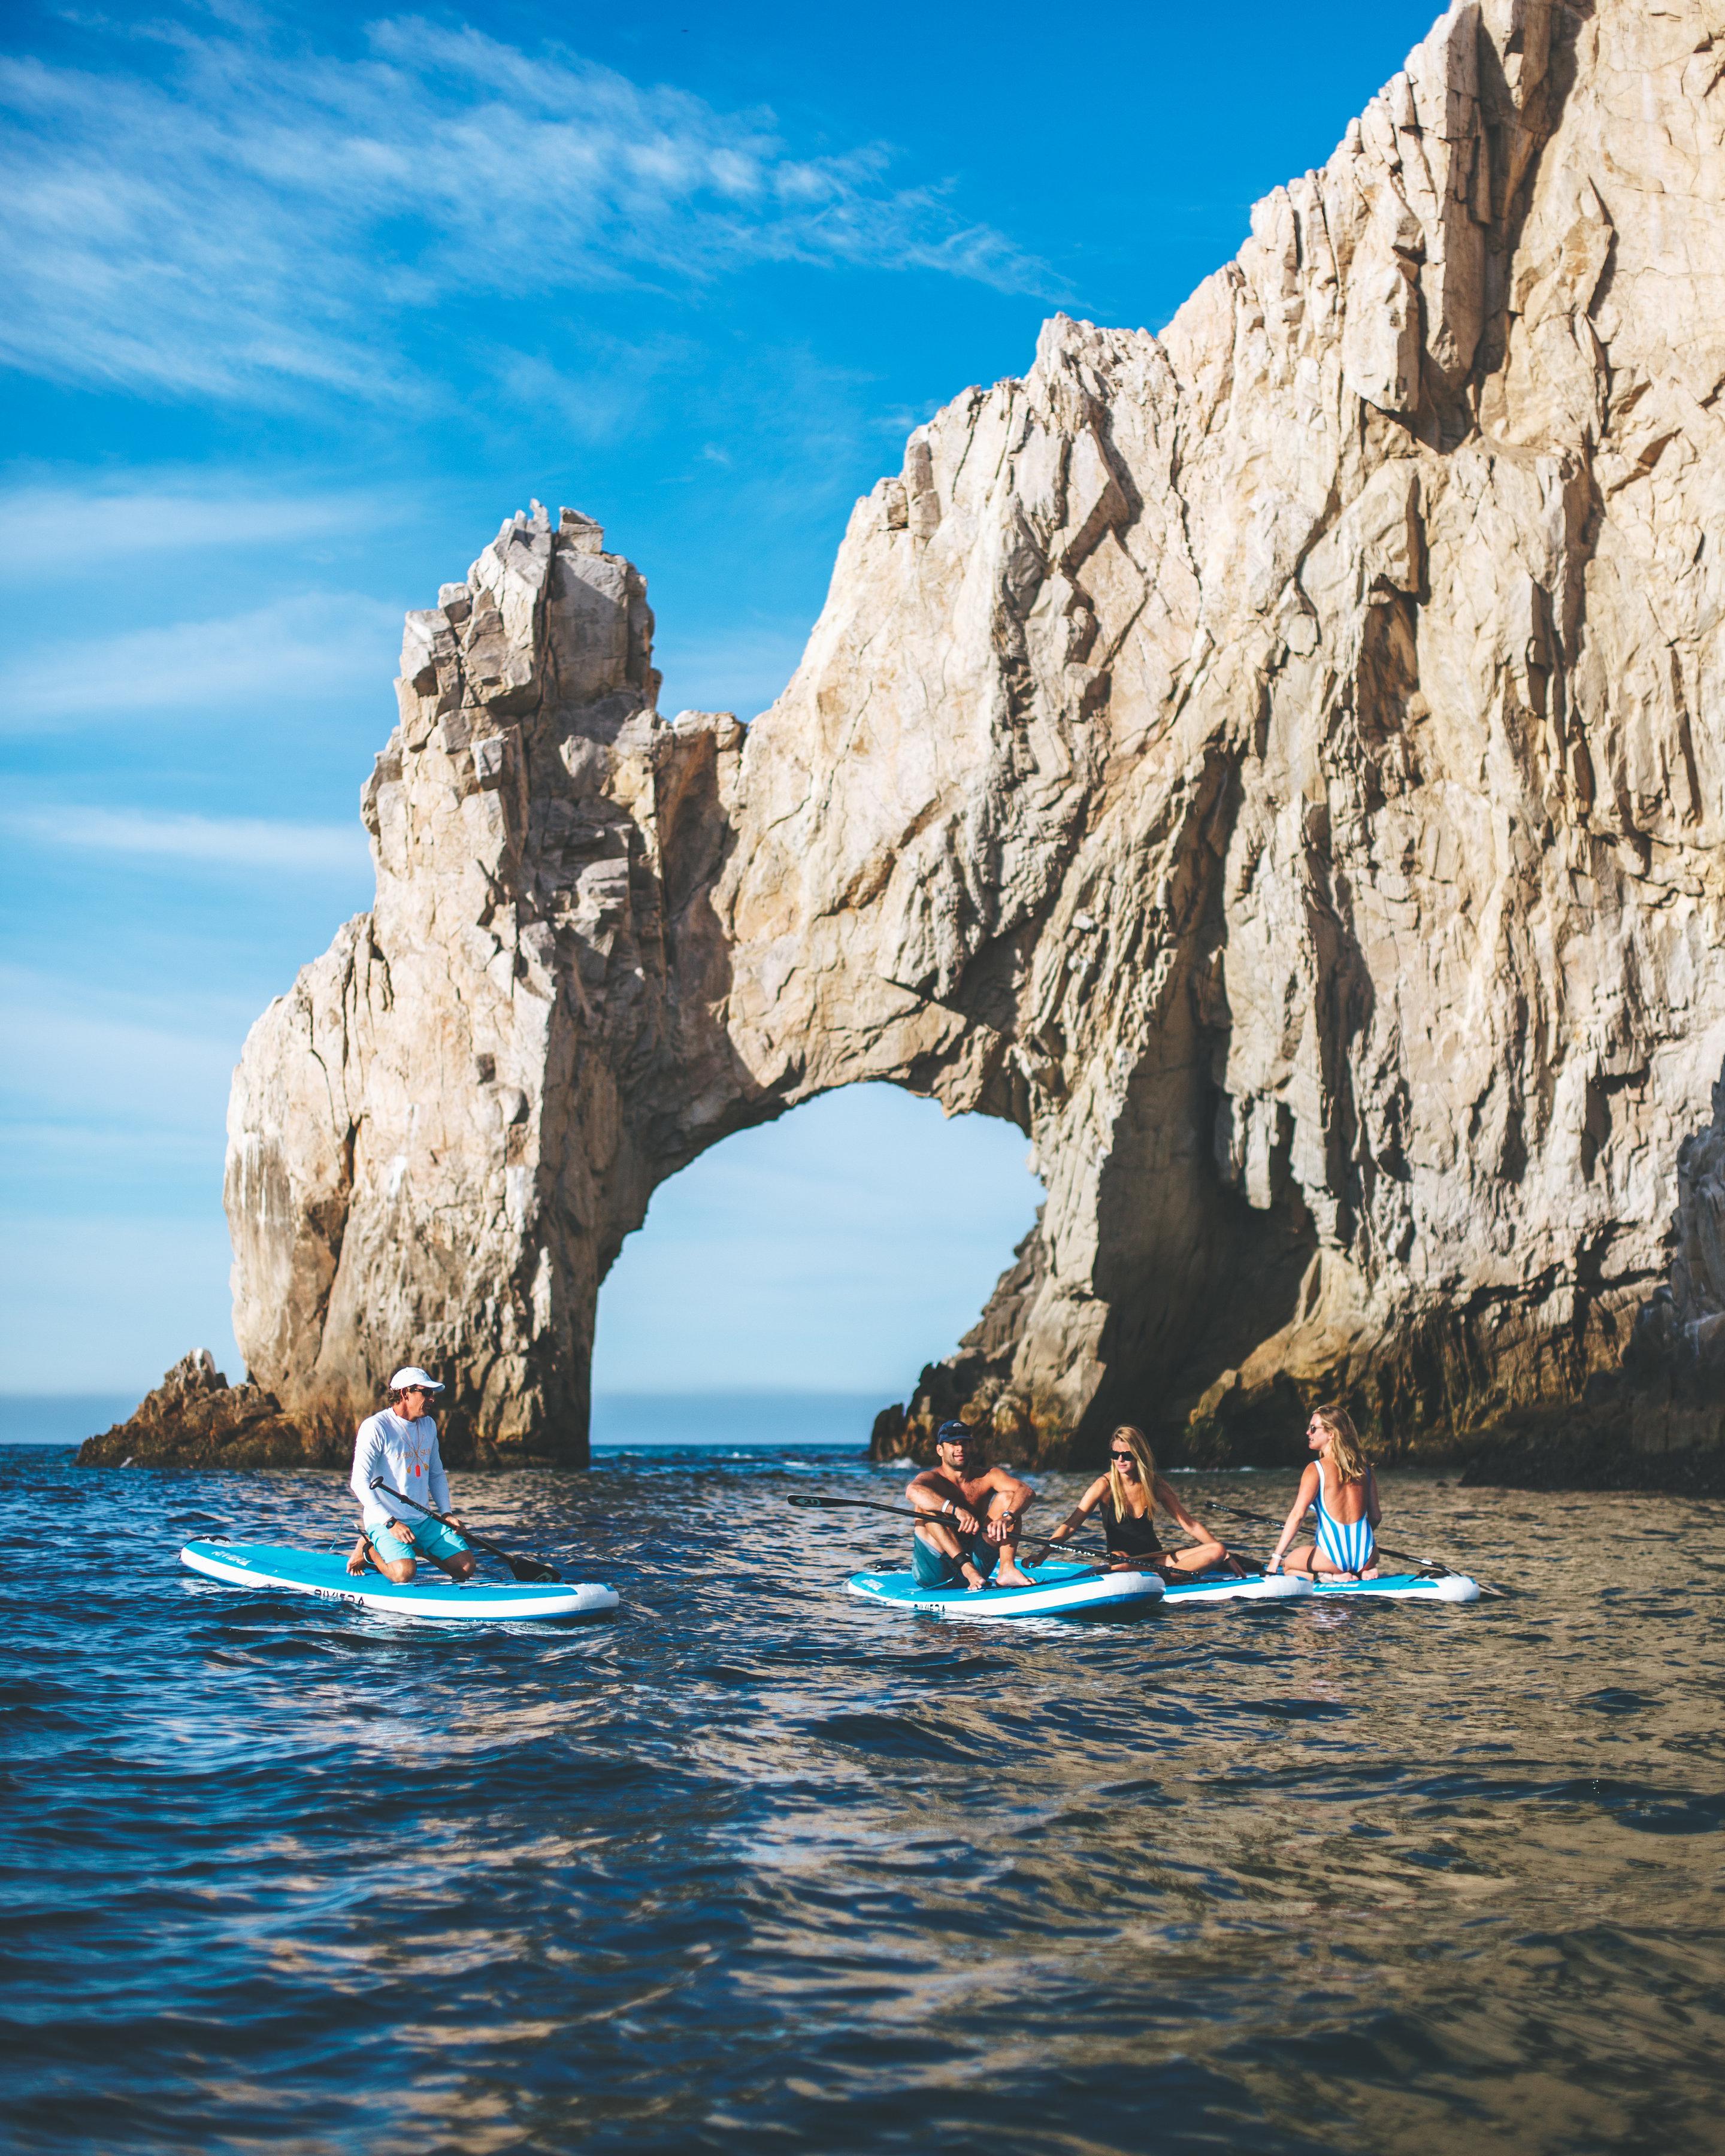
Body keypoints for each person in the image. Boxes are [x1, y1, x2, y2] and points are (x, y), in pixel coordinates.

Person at [1044, 1424, 1240, 1575]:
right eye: (1115, 1454)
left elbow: (1191, 1525)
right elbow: (1071, 1525)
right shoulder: (1104, 1485)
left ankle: (1166, 1576)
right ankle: (1171, 1576)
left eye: (1127, 1455)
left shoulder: (1156, 1485)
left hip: (1157, 1560)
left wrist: (1228, 1558)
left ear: (1139, 1455)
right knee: (1122, 1561)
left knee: (1217, 1549)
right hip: (1124, 1561)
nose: (1120, 1460)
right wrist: (1043, 1554)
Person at [346, 1367, 477, 1583]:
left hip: (422, 1520)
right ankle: (369, 1548)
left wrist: (446, 1513)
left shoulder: (429, 1425)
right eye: (426, 1393)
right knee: (404, 1574)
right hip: (386, 1521)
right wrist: (390, 1523)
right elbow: (359, 1482)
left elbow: (435, 1474)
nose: (432, 1399)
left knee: (466, 1568)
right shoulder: (376, 1427)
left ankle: (417, 1546)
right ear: (406, 1393)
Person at [906, 1421, 1036, 1590]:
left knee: (1009, 1499)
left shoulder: (987, 1476)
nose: (960, 1449)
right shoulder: (932, 1478)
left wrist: (1008, 1517)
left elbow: (1026, 1491)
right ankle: (966, 1567)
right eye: (953, 1444)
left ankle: (1007, 1570)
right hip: (936, 1571)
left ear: (971, 1447)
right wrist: (955, 1510)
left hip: (978, 1563)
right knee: (925, 1506)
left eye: (964, 1443)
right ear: (940, 1450)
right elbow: (913, 1491)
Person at [1264, 1403, 1381, 1579]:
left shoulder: (1316, 1469)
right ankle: (1362, 1571)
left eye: (1313, 1428)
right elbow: (1376, 1517)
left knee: (1288, 1565)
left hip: (1332, 1558)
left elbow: (1298, 1515)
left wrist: (1275, 1560)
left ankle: (1330, 1576)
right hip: (1367, 1555)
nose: (1308, 1433)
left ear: (1331, 1434)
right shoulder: (1365, 1469)